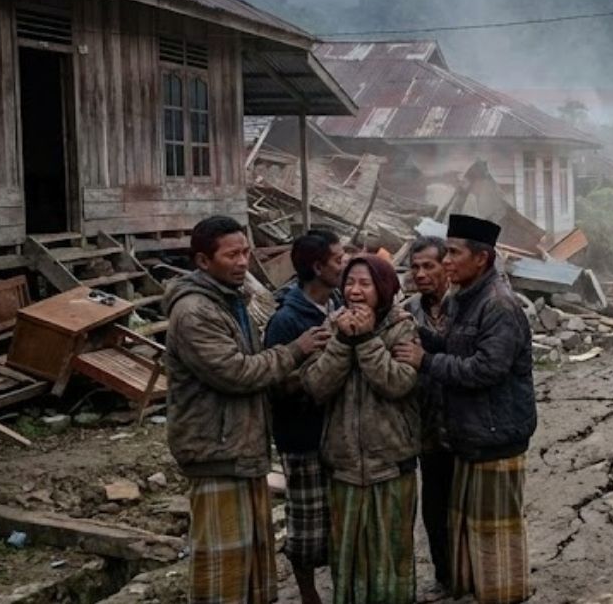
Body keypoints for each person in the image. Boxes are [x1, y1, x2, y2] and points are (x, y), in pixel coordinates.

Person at [164, 216, 314, 604]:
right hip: (216, 453)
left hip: (240, 451)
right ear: (202, 261)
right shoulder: (195, 312)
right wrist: (295, 350)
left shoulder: (231, 302)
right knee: (224, 576)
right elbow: (235, 373)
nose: (243, 262)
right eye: (232, 255)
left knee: (251, 569)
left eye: (245, 252)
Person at [394, 215, 536, 604]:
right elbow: (456, 349)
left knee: (495, 538)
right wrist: (419, 334)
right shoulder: (464, 300)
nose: (447, 261)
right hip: (472, 435)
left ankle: (505, 596)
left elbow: (485, 369)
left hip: (496, 436)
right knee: (472, 530)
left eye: (454, 253)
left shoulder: (499, 306)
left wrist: (425, 361)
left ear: (483, 259)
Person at [303, 255, 421, 604]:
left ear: (382, 289)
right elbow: (316, 385)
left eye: (364, 284)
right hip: (344, 467)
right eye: (349, 282)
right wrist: (342, 342)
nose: (354, 291)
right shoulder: (332, 326)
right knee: (348, 560)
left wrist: (367, 340)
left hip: (391, 464)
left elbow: (398, 383)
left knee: (391, 558)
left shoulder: (403, 327)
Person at [263, 229, 345, 604]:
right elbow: (275, 385)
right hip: (302, 436)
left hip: (337, 434)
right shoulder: (287, 321)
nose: (343, 266)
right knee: (307, 523)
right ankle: (309, 594)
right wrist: (311, 365)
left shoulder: (339, 304)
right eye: (338, 260)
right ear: (317, 266)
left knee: (338, 520)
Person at [405, 237, 454, 598]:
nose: (421, 274)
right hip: (426, 427)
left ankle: (472, 572)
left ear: (446, 267)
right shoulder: (407, 313)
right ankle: (444, 576)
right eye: (415, 267)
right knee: (434, 509)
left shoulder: (465, 308)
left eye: (428, 266)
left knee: (467, 506)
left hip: (466, 425)